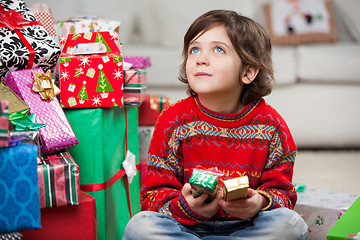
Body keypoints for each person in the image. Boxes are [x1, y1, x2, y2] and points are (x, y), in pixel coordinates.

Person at [123, 10, 308, 240]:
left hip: (247, 228)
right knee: (139, 226)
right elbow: (152, 197)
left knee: (291, 225)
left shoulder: (272, 127)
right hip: (186, 228)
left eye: (218, 49)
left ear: (248, 71)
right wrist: (185, 206)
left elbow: (284, 196)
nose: (201, 58)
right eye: (195, 49)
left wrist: (259, 202)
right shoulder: (172, 120)